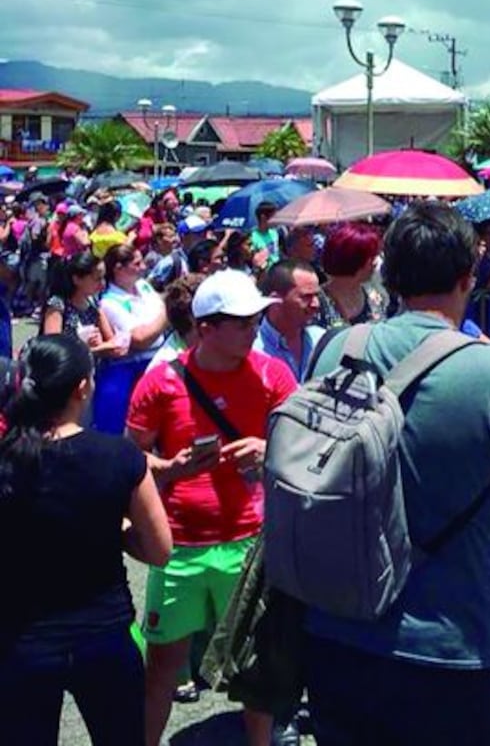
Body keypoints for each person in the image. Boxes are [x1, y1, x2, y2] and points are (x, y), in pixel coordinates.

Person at [300, 202, 490, 746]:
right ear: (468, 277)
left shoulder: (333, 350)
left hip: (337, 631)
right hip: (454, 644)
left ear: (390, 275)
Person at [127, 269, 297, 746]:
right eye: (242, 323)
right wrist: (169, 467)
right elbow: (130, 456)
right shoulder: (161, 381)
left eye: (256, 320)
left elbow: (302, 443)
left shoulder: (271, 374)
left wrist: (269, 449)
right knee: (163, 664)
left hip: (248, 542)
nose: (254, 330)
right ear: (205, 328)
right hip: (178, 544)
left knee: (255, 664)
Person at [0, 335, 172, 746]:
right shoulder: (119, 456)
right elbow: (159, 549)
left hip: (21, 639)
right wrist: (112, 526)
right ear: (82, 387)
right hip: (104, 632)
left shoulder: (7, 457)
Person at [94, 244, 168, 434]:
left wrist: (154, 324)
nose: (143, 267)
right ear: (118, 269)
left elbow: (152, 324)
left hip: (160, 358)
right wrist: (167, 314)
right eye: (137, 263)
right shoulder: (110, 302)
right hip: (134, 370)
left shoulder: (143, 285)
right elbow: (141, 338)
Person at [40, 251, 125, 358]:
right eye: (97, 279)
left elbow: (112, 342)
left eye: (104, 278)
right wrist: (92, 347)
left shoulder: (93, 303)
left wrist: (101, 344)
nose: (102, 284)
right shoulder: (58, 304)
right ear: (77, 279)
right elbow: (52, 346)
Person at [253, 259, 325, 380]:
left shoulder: (322, 341)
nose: (316, 304)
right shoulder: (253, 352)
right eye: (306, 297)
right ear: (276, 300)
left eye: (316, 295)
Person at [315, 222, 388, 328]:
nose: (376, 262)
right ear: (353, 259)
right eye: (371, 257)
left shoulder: (374, 297)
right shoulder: (316, 302)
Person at [249, 202, 281, 268]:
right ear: (263, 217)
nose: (276, 220)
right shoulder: (252, 237)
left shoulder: (274, 233)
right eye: (273, 217)